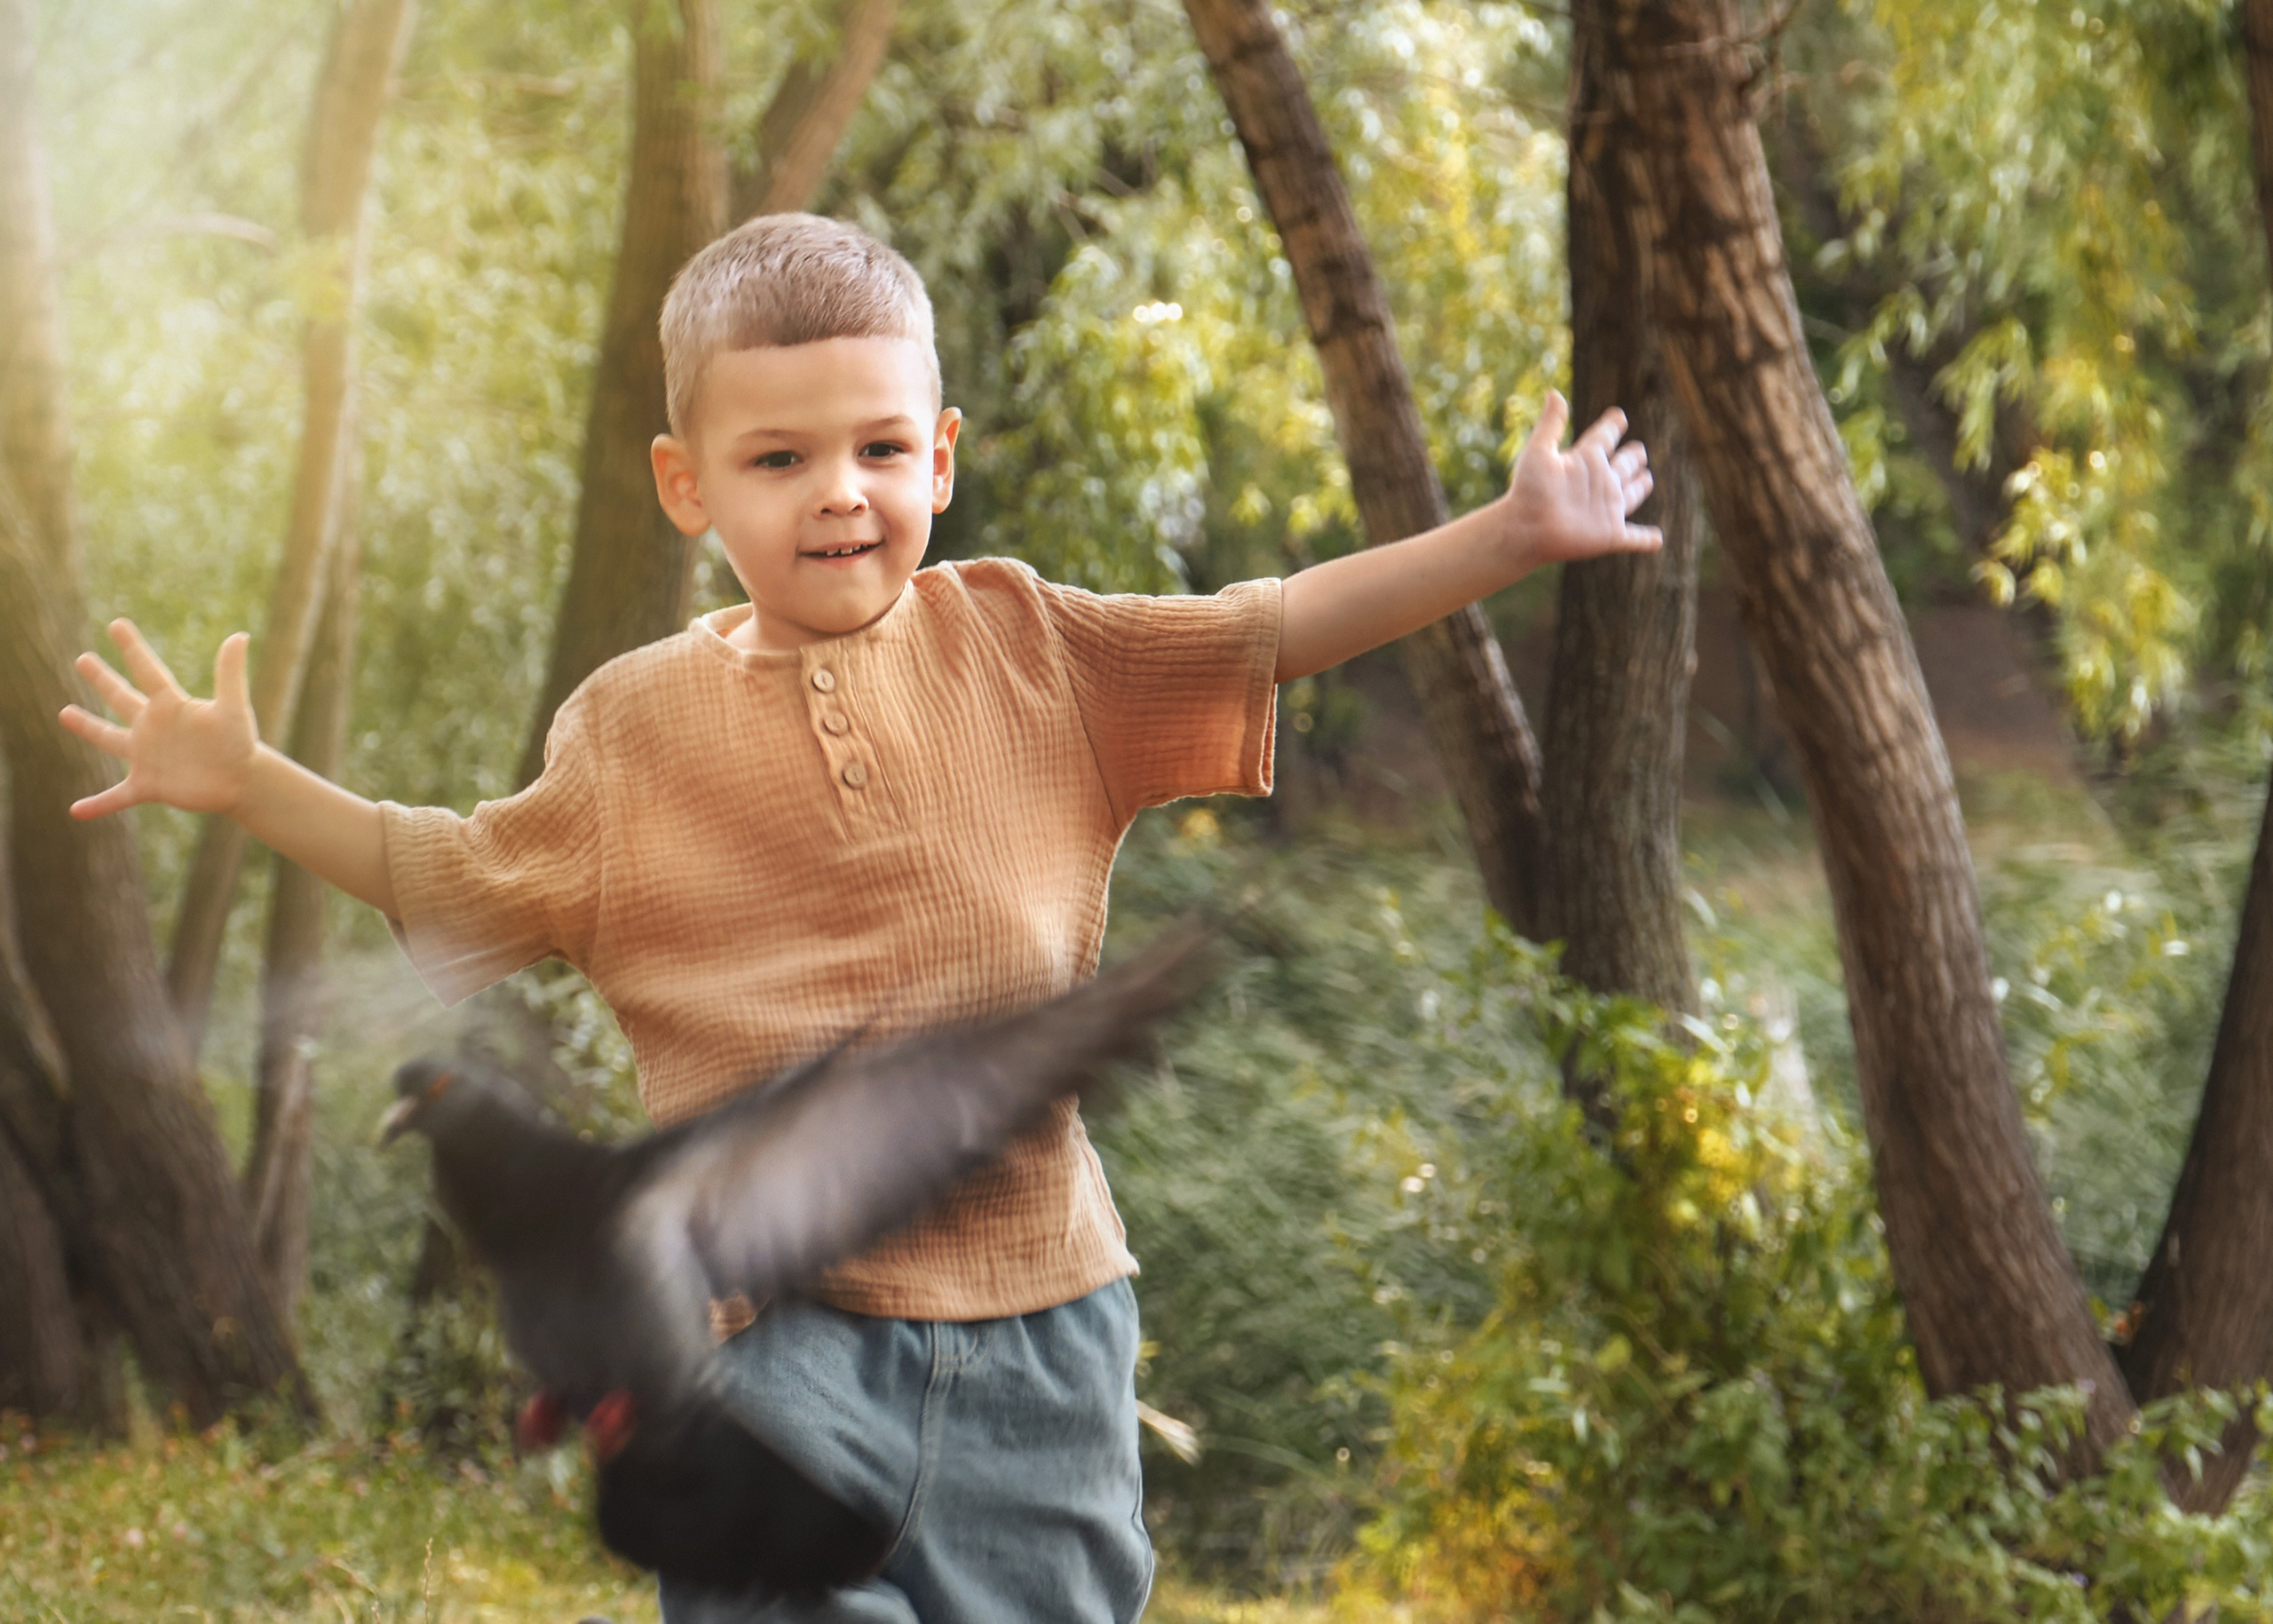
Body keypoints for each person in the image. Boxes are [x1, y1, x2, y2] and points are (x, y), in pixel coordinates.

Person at [59, 212, 1659, 1622]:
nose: (843, 494)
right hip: (755, 1354)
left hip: (1046, 1337)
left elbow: (1272, 626)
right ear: (688, 485)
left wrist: (1509, 537)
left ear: (942, 456)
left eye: (882, 451)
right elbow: (449, 872)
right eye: (780, 459)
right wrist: (255, 783)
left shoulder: (1038, 650)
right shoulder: (628, 732)